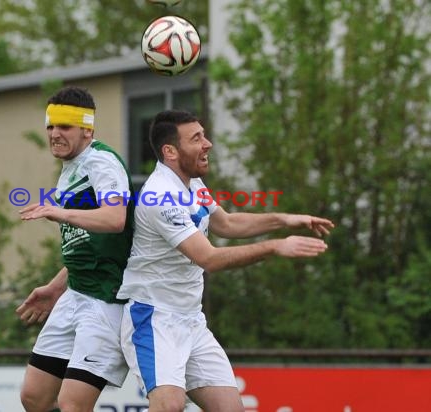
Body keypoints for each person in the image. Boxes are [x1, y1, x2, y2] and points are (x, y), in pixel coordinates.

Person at [117, 109, 334, 412]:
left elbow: (228, 224)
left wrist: (285, 219)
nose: (208, 144)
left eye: (204, 135)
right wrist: (275, 246)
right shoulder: (161, 197)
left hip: (191, 320)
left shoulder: (191, 185)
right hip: (154, 319)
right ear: (170, 151)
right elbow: (210, 258)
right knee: (168, 406)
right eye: (197, 138)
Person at [16, 86, 134, 412]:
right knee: (34, 397)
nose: (54, 134)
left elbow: (115, 219)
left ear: (87, 129)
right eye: (50, 126)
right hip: (75, 294)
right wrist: (55, 287)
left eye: (64, 127)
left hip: (105, 300)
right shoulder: (71, 167)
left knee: (72, 405)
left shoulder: (102, 163)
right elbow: (91, 244)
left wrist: (59, 211)